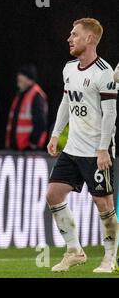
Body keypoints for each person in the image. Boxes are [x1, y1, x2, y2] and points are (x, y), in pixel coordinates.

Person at [47, 18, 118, 273]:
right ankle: (74, 250)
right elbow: (67, 103)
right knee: (53, 194)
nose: (69, 38)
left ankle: (109, 259)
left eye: (75, 34)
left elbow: (110, 114)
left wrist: (102, 149)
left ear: (89, 39)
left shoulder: (104, 72)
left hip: (95, 150)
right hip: (73, 148)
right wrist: (56, 134)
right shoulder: (68, 68)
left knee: (104, 205)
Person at [5, 63, 48, 151]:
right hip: (17, 148)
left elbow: (40, 122)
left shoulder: (36, 96)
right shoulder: (21, 95)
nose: (18, 77)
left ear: (29, 79)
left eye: (22, 75)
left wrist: (33, 143)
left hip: (28, 149)